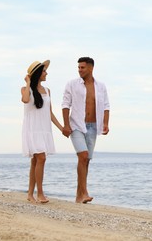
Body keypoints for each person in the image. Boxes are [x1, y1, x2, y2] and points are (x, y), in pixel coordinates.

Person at [62, 57, 110, 203]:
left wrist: (106, 123)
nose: (79, 70)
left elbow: (106, 106)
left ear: (91, 68)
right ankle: (84, 192)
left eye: (82, 67)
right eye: (78, 67)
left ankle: (79, 196)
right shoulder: (72, 84)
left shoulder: (101, 86)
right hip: (76, 125)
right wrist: (66, 125)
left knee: (86, 160)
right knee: (82, 155)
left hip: (93, 126)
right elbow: (65, 105)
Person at [21, 60, 63, 203]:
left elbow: (49, 113)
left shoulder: (48, 91)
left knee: (35, 161)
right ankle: (40, 194)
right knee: (41, 158)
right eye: (44, 71)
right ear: (38, 74)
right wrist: (28, 83)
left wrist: (61, 128)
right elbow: (26, 100)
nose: (46, 73)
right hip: (32, 130)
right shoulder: (25, 89)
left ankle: (29, 194)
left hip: (44, 130)